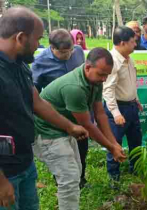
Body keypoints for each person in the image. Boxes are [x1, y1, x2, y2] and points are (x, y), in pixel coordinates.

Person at [0, 7, 88, 210]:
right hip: (5, 173)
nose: (40, 45)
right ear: (21, 38)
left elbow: (36, 102)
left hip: (24, 163)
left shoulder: (20, 64)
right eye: (38, 38)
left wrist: (69, 127)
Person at [33, 48, 126, 210]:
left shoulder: (94, 80)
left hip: (67, 128)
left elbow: (100, 114)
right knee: (68, 179)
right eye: (101, 74)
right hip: (48, 133)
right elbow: (87, 125)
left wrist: (114, 143)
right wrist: (111, 148)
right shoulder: (74, 87)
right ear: (88, 67)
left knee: (75, 173)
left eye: (107, 75)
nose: (104, 79)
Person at [31, 29, 89, 188]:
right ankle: (62, 180)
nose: (68, 55)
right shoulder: (39, 63)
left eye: (70, 51)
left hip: (77, 109)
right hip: (55, 114)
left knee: (82, 146)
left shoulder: (77, 52)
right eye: (63, 52)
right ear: (52, 47)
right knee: (62, 149)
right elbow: (34, 93)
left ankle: (81, 178)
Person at [103, 26, 143, 181]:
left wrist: (136, 100)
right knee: (114, 143)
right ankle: (114, 176)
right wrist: (116, 113)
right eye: (132, 42)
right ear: (122, 43)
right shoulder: (112, 61)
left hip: (131, 106)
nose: (135, 45)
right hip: (118, 109)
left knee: (136, 141)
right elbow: (108, 90)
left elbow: (131, 83)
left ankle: (136, 169)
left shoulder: (128, 58)